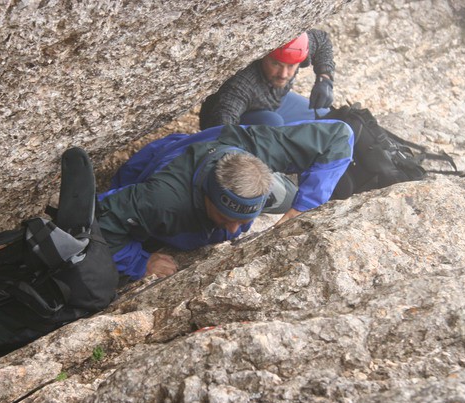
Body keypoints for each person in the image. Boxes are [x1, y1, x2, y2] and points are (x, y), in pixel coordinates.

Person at [96, 120, 354, 281]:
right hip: (151, 178)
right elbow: (98, 218)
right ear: (207, 196)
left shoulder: (260, 147)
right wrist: (140, 262)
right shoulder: (163, 199)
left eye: (244, 219)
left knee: (289, 198)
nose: (234, 230)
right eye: (226, 218)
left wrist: (303, 207)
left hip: (209, 160)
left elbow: (339, 136)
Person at [199, 29, 335, 130]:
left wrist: (325, 78)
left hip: (276, 102)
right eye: (276, 64)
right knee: (272, 123)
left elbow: (321, 40)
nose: (283, 74)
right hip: (245, 116)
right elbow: (222, 120)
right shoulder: (243, 84)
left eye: (291, 66)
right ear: (263, 55)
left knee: (324, 115)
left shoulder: (297, 49)